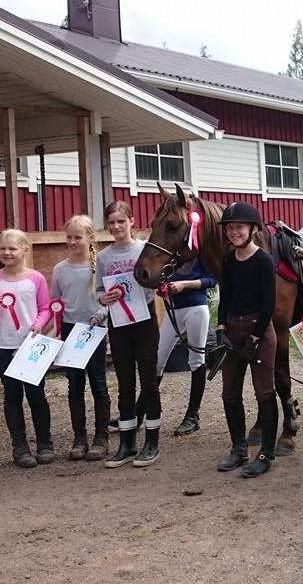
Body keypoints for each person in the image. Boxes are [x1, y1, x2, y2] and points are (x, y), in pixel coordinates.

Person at [214, 202, 279, 478]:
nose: (233, 232)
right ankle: (239, 448)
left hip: (259, 330)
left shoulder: (263, 260)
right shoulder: (229, 260)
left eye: (238, 227)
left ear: (252, 229)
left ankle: (265, 453)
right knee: (229, 392)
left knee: (264, 391)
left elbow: (269, 303)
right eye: (229, 228)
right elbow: (225, 295)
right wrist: (220, 327)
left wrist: (255, 337)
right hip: (233, 329)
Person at [0, 228, 53, 468]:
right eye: (3, 248)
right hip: (2, 345)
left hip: (30, 345)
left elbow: (45, 308)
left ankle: (44, 443)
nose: (7, 252)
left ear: (24, 250)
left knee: (36, 395)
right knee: (12, 396)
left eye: (12, 248)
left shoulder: (36, 279)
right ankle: (19, 446)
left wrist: (38, 325)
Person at [96, 201, 161, 469]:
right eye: (111, 223)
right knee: (124, 383)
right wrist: (105, 298)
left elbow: (156, 281)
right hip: (119, 324)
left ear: (131, 221)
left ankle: (152, 440)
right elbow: (99, 290)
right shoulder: (103, 257)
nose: (116, 227)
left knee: (148, 381)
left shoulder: (144, 249)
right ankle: (126, 441)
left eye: (121, 221)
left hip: (144, 321)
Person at [51, 215, 111, 461]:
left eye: (78, 237)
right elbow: (56, 301)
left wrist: (99, 316)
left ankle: (101, 437)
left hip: (93, 331)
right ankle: (79, 438)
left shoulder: (99, 267)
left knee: (98, 383)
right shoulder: (60, 269)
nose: (73, 242)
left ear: (90, 238)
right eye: (69, 237)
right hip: (69, 331)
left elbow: (109, 299)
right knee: (74, 384)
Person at [155, 257, 216, 437]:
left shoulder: (200, 251)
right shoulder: (171, 255)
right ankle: (142, 410)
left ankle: (192, 416)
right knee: (157, 358)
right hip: (173, 308)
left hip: (196, 307)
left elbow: (211, 280)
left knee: (196, 360)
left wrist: (184, 285)